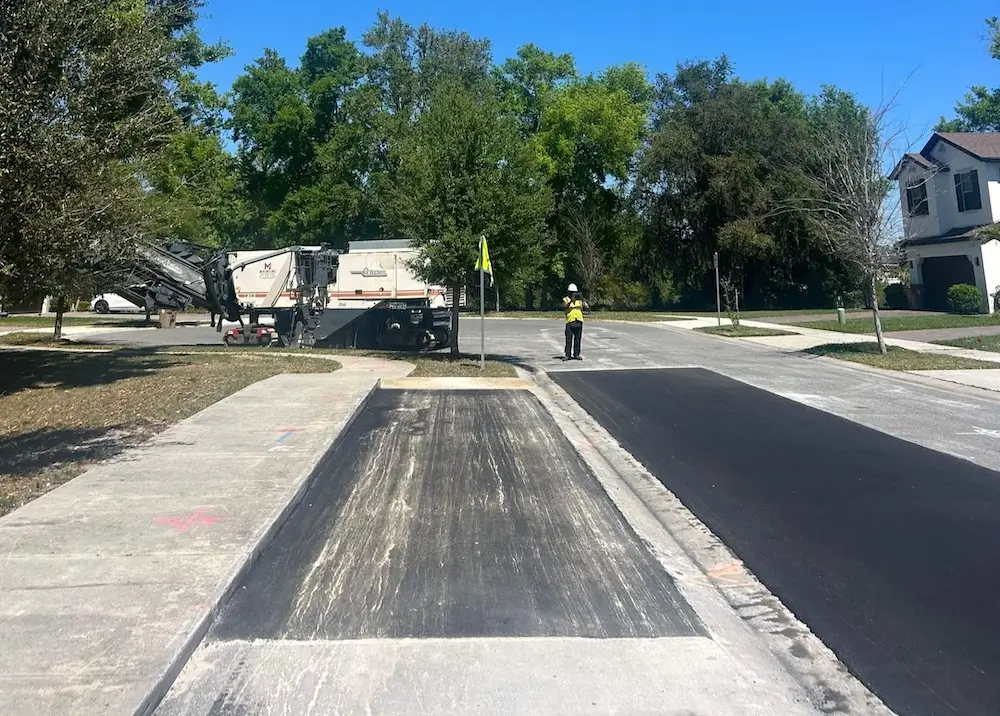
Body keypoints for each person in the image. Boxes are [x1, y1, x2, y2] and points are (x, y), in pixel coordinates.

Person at [562, 283, 588, 360]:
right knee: (569, 339)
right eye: (571, 292)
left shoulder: (580, 300)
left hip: (579, 320)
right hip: (570, 321)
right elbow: (564, 307)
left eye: (574, 292)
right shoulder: (566, 299)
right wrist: (571, 301)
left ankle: (576, 354)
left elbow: (586, 308)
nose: (573, 294)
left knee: (577, 339)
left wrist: (585, 304)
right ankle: (568, 355)